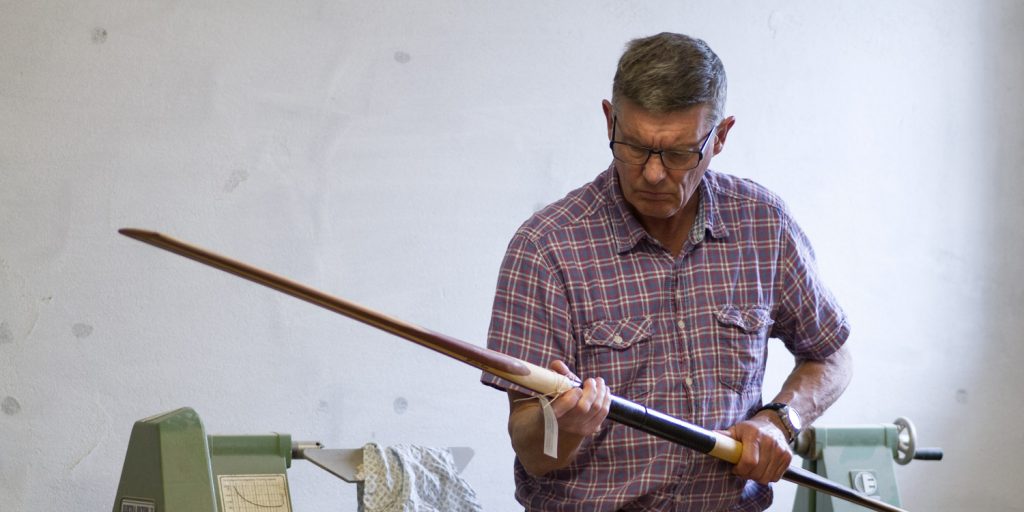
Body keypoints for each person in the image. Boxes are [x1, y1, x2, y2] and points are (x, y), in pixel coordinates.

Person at [480, 32, 852, 511]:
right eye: (634, 146)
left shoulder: (764, 224)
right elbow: (534, 452)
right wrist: (563, 427)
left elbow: (833, 355)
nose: (653, 174)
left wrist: (780, 420)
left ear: (720, 136)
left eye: (678, 154)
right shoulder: (547, 247)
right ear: (609, 121)